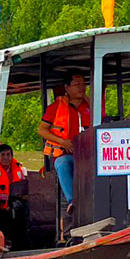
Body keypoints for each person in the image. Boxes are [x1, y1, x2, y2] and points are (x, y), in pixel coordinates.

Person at [38, 71, 90, 213]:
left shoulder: (91, 105)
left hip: (89, 154)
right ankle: (72, 201)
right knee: (62, 164)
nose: (81, 88)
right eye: (76, 85)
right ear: (67, 87)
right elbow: (42, 130)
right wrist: (63, 142)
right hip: (65, 153)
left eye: (83, 84)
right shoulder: (56, 107)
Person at [0, 143, 30, 248]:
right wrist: (6, 199)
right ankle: (5, 240)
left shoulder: (18, 168)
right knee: (6, 213)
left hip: (14, 202)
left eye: (8, 155)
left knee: (22, 208)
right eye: (2, 155)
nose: (6, 158)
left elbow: (23, 187)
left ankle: (21, 242)